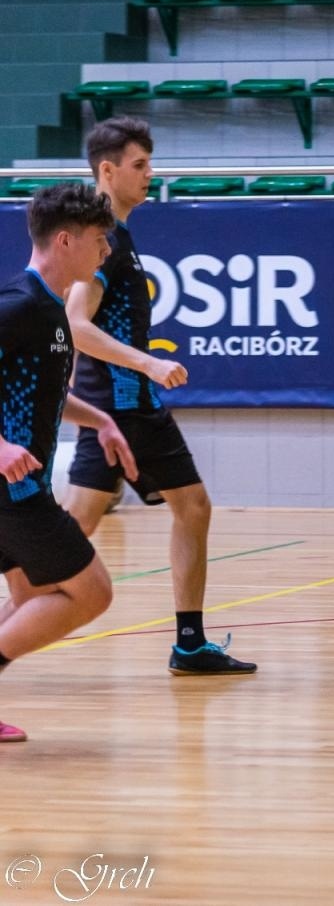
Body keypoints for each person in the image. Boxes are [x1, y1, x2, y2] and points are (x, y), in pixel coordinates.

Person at [61, 117, 255, 675]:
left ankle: (189, 644)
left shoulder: (115, 234)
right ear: (107, 170)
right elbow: (76, 323)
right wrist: (148, 362)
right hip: (127, 402)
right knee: (192, 507)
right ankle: (189, 644)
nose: (151, 174)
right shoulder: (107, 241)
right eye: (140, 165)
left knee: (74, 528)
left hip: (112, 403)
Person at [0, 182, 141, 741]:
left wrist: (100, 420)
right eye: (99, 241)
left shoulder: (53, 309)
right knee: (93, 593)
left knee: (32, 601)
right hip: (14, 488)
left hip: (15, 488)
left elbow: (39, 394)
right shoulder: (20, 306)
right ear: (64, 240)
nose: (107, 251)